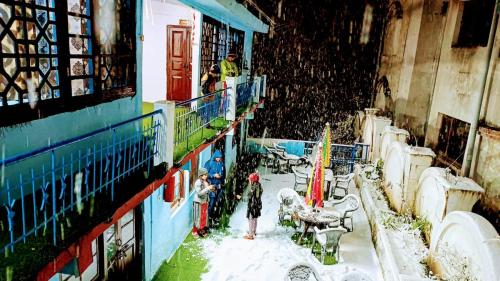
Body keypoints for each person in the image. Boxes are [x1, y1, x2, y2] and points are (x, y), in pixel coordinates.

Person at [204, 149, 225, 226]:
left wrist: (221, 177)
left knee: (217, 201)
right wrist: (213, 175)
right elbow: (205, 174)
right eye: (217, 157)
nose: (219, 159)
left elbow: (223, 173)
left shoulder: (221, 164)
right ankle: (209, 218)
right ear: (214, 157)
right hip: (211, 185)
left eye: (220, 157)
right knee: (211, 202)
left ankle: (215, 216)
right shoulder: (209, 163)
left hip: (218, 185)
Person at [193, 168, 215, 238]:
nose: (206, 176)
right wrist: (208, 188)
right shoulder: (198, 182)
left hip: (205, 201)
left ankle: (202, 229)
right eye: (204, 175)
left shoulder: (206, 181)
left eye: (206, 175)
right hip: (198, 202)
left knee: (204, 216)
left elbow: (206, 191)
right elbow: (199, 193)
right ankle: (195, 231)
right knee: (197, 216)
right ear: (200, 175)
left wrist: (211, 189)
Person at [244, 172, 263, 240]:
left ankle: (250, 234)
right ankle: (254, 231)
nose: (249, 180)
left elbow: (249, 195)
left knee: (250, 219)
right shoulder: (258, 185)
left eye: (250, 179)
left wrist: (250, 192)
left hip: (252, 205)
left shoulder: (252, 187)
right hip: (257, 204)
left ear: (252, 180)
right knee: (255, 218)